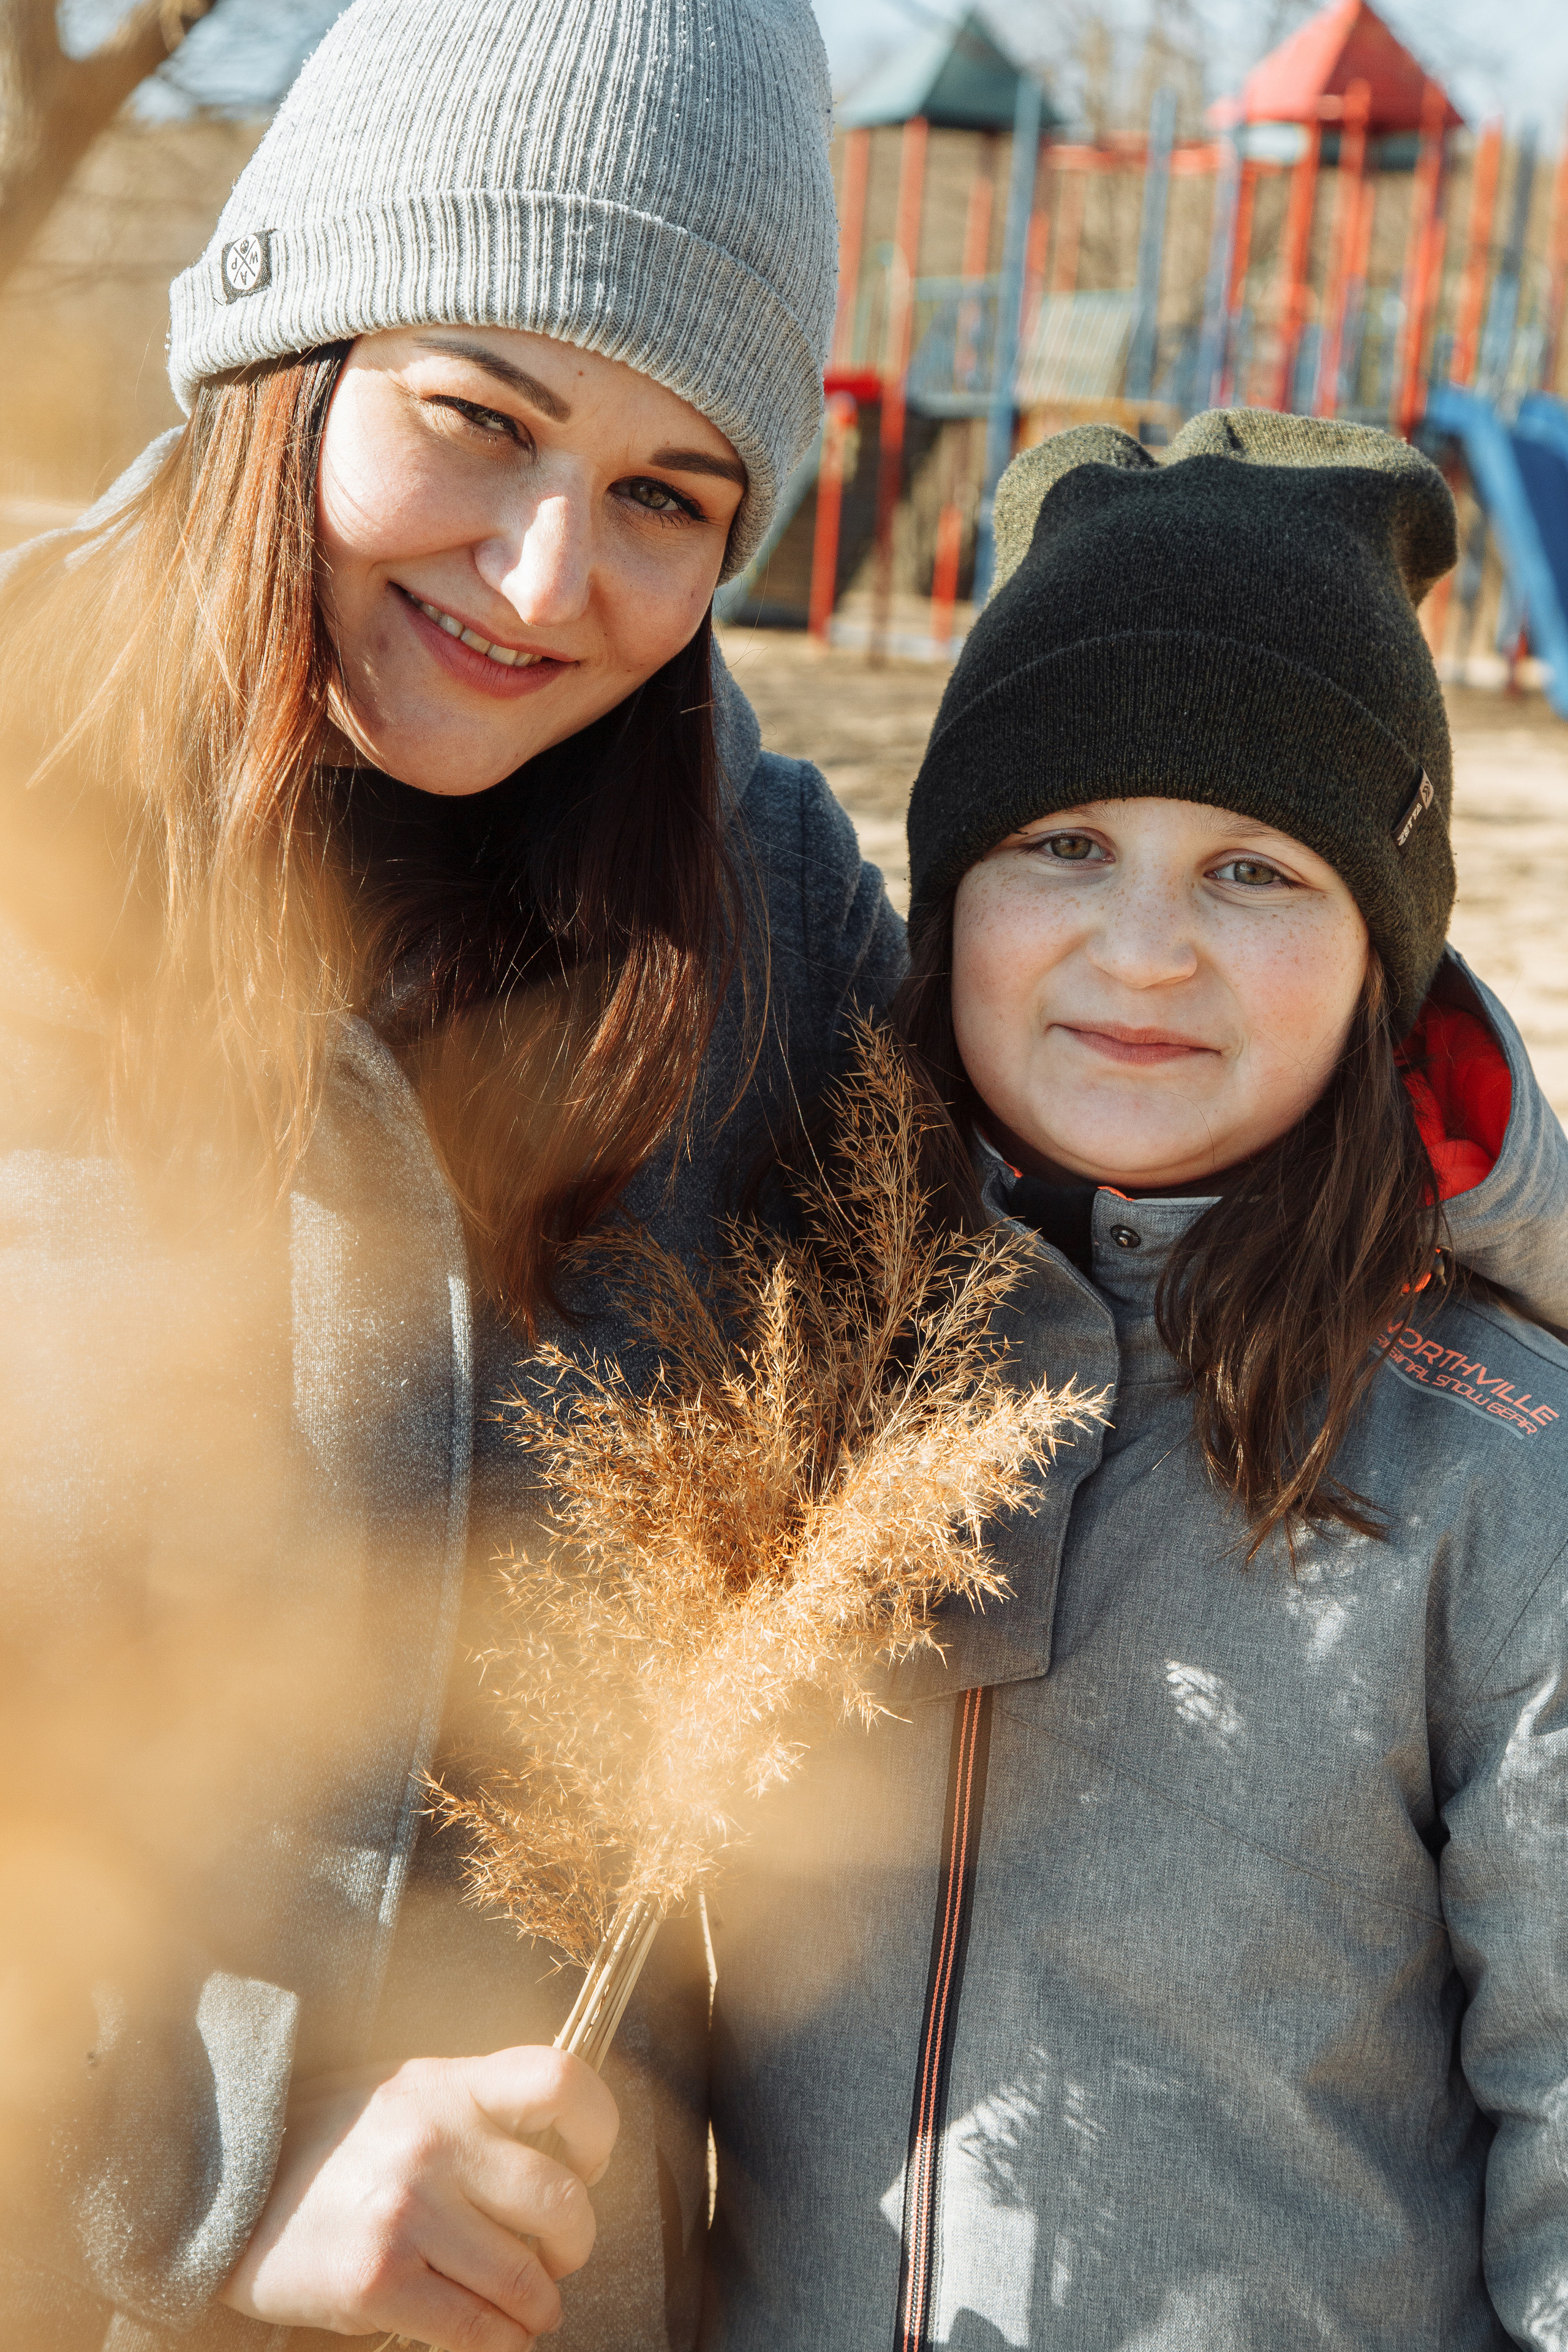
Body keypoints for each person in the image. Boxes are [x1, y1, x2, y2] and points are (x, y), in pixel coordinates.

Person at [0, 2, 902, 2348]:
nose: (536, 576)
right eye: (477, 420)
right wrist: (173, 2235)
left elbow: (1131, 1234)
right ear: (291, 344)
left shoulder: (763, 917)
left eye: (666, 498)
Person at [703, 413, 1568, 2351]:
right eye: (1064, 845)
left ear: (1382, 960)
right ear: (948, 899)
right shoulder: (778, 1372)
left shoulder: (1502, 1474)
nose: (1143, 950)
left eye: (1257, 870)